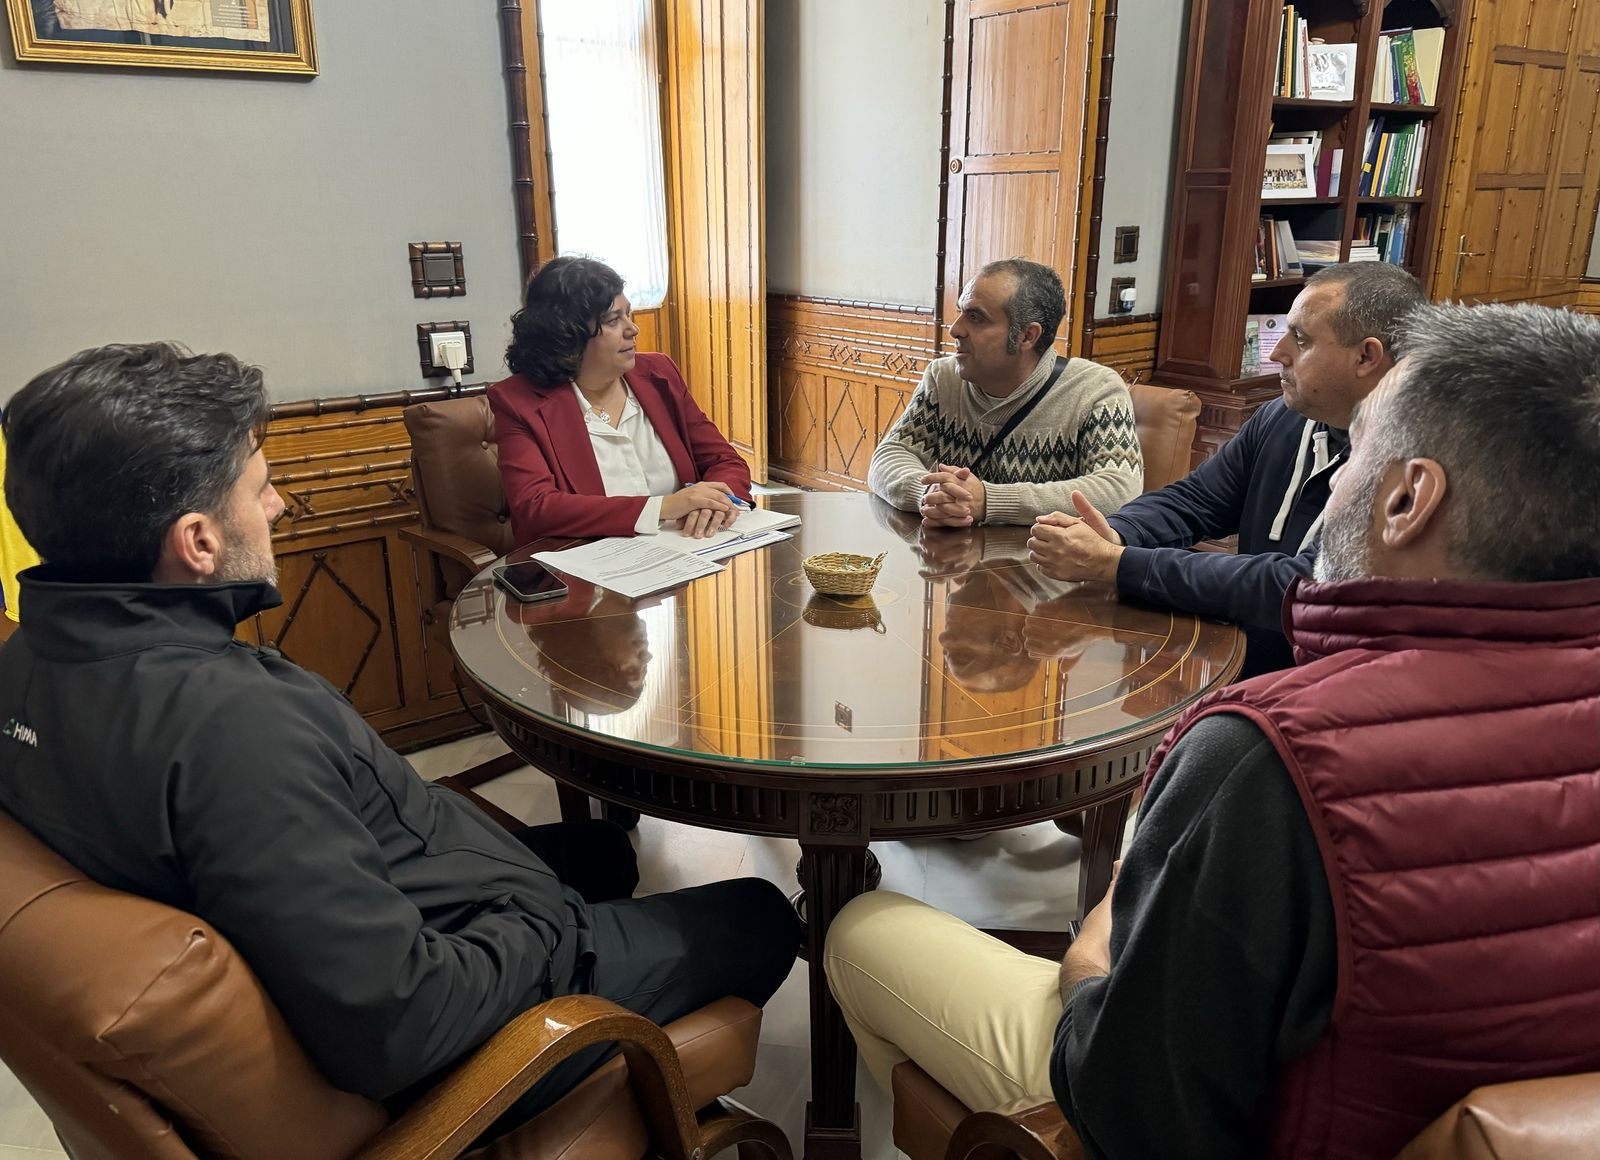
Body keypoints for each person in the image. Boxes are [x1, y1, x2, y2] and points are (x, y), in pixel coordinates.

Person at [825, 302, 1600, 1159]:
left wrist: (1091, 959)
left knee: (859, 931)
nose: (1336, 482)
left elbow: (1135, 1105)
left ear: (1408, 498)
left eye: (1355, 457)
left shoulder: (1272, 757)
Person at [0, 342, 799, 1133]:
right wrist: (542, 925)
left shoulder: (25, 661)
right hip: (464, 1004)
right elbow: (402, 1023)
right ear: (198, 542)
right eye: (262, 487)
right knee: (760, 916)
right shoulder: (233, 733)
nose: (280, 506)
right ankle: (655, 1115)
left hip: (409, 911)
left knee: (604, 853)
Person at [1027, 262, 1424, 676]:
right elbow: (1196, 500)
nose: (1277, 352)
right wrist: (1116, 533)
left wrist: (1117, 563)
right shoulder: (1282, 417)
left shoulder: (1414, 462)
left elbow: (1301, 584)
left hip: (1334, 685)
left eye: (1301, 339)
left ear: (1366, 356)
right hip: (1247, 667)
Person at [491, 255, 752, 544]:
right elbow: (536, 506)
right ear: (566, 335)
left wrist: (713, 503)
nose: (632, 329)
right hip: (585, 561)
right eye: (613, 320)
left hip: (689, 550)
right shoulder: (518, 402)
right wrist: (664, 507)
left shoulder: (659, 373)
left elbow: (725, 460)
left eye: (628, 313)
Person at [867, 257, 1142, 528]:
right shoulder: (944, 378)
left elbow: (1118, 489)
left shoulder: (1094, 389)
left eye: (976, 318)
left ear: (1027, 336)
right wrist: (928, 494)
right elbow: (890, 455)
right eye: (961, 312)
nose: (955, 329)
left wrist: (989, 501)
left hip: (1040, 556)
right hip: (954, 556)